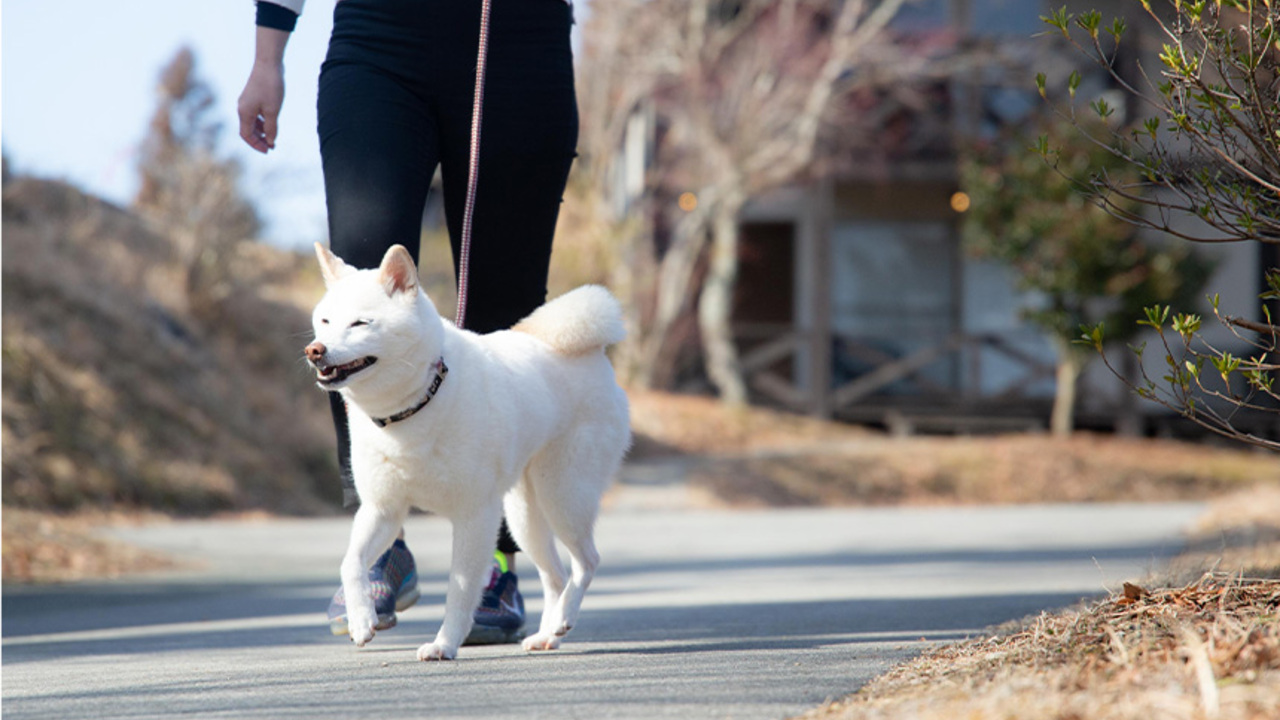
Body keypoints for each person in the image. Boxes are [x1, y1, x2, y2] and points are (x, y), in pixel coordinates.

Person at [236, 0, 578, 645]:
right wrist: (266, 59)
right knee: (362, 297)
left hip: (515, 45)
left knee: (501, 307)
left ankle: (495, 560)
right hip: (379, 42)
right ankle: (381, 543)